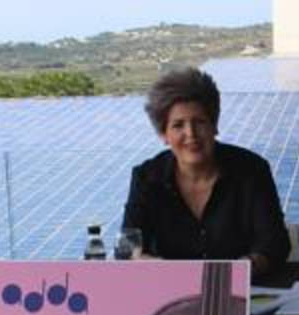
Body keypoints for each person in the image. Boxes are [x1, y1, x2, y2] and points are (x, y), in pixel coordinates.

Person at [123, 67, 290, 276]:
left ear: (214, 125)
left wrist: (245, 268)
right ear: (163, 134)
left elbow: (275, 244)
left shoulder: (252, 170)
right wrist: (149, 265)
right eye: (178, 125)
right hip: (170, 293)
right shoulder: (146, 177)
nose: (191, 134)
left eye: (199, 122)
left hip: (244, 292)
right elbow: (129, 247)